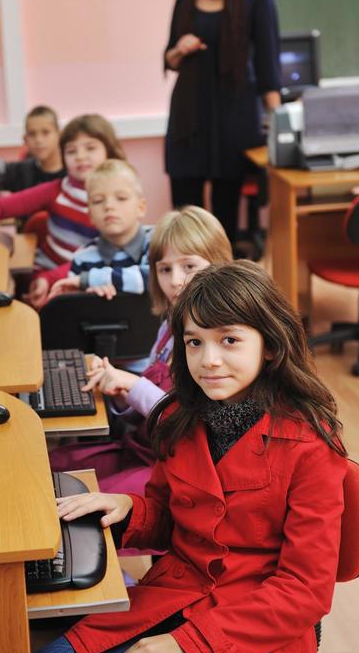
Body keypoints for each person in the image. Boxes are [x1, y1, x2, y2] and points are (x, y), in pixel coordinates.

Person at [32, 260, 348, 653]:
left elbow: (305, 592)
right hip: (170, 600)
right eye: (195, 342)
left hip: (252, 637)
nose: (209, 360)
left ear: (270, 345)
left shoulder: (311, 446)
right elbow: (171, 516)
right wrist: (130, 511)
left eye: (230, 341)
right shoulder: (181, 417)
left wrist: (188, 646)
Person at [48, 206, 232, 494]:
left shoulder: (221, 343)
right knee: (48, 467)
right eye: (164, 269)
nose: (175, 281)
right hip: (140, 448)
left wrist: (134, 384)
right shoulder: (167, 328)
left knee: (77, 494)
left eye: (189, 266)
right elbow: (145, 404)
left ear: (219, 265)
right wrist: (121, 393)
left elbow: (196, 427)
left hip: (177, 466)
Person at [164, 0, 282, 242]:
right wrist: (179, 48)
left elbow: (268, 65)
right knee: (185, 218)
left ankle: (220, 291)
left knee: (225, 217)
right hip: (189, 118)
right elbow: (169, 59)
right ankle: (184, 289)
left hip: (235, 117)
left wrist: (278, 125)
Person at [0, 114, 125, 308]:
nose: (80, 156)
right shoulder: (57, 190)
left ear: (109, 151)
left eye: (90, 148)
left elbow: (103, 256)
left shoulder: (120, 200)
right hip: (44, 276)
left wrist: (51, 279)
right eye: (71, 151)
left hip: (90, 281)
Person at [47, 159, 150, 303]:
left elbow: (154, 278)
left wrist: (89, 279)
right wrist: (91, 297)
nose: (108, 206)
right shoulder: (82, 257)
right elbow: (73, 306)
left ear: (141, 207)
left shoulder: (159, 241)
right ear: (90, 215)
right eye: (97, 200)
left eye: (121, 198)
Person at [0, 105, 64, 197]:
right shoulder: (22, 170)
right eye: (32, 134)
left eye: (45, 132)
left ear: (59, 135)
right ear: (25, 139)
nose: (38, 140)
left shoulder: (73, 173)